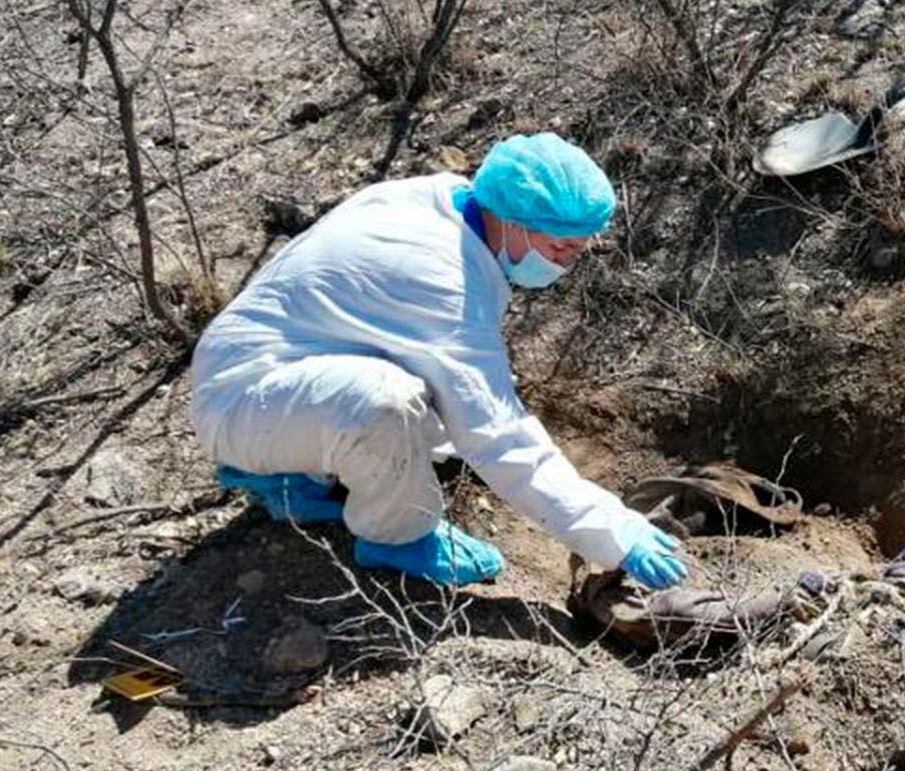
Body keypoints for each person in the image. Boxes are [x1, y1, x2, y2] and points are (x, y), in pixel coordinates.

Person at [192, 133, 685, 591]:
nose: (564, 263)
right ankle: (395, 537)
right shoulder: (441, 281)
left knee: (437, 407)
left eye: (578, 249)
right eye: (559, 247)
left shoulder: (444, 197)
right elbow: (500, 439)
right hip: (243, 400)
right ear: (513, 222)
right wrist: (613, 532)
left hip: (273, 368)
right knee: (387, 403)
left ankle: (295, 467)